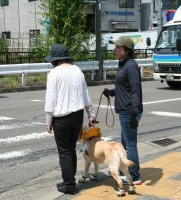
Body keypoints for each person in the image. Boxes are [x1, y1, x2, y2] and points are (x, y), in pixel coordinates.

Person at [44, 44, 96, 195]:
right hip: (77, 116)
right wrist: (91, 115)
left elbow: (50, 100)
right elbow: (86, 95)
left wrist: (48, 121)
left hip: (61, 118)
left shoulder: (54, 73)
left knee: (64, 152)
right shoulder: (77, 70)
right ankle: (70, 180)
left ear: (55, 60)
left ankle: (69, 185)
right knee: (71, 149)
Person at [103, 36, 143, 185]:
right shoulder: (123, 64)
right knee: (125, 144)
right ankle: (125, 170)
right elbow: (124, 87)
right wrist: (112, 92)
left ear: (126, 50)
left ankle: (135, 176)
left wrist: (134, 111)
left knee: (130, 144)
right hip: (126, 111)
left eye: (118, 48)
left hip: (129, 111)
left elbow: (135, 91)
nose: (115, 50)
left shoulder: (131, 66)